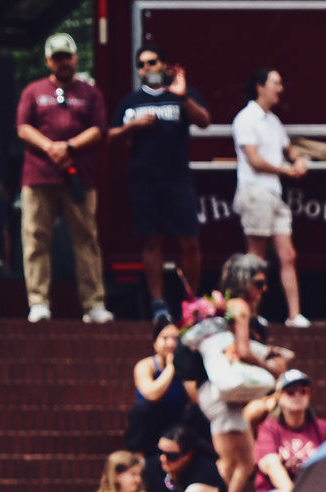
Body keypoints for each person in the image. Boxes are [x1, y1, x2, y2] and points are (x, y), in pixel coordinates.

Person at [109, 43, 208, 324]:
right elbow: (109, 136)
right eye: (141, 64)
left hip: (178, 179)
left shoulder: (180, 95)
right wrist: (132, 126)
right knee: (152, 240)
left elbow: (205, 121)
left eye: (151, 63)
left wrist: (183, 95)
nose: (146, 69)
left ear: (165, 65)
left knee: (189, 240)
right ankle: (158, 304)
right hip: (144, 180)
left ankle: (190, 302)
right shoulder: (131, 101)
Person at [16, 33, 110, 324]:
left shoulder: (90, 93)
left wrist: (69, 147)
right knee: (35, 239)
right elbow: (22, 127)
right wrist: (50, 148)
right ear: (48, 61)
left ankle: (94, 305)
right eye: (56, 57)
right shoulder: (33, 91)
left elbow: (99, 129)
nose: (62, 62)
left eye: (66, 56)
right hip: (38, 175)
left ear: (75, 58)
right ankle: (38, 302)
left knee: (86, 239)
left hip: (79, 177)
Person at [194, 254, 291, 492]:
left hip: (221, 394)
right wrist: (270, 369)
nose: (264, 289)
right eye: (258, 283)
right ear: (241, 281)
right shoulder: (239, 306)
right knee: (227, 462)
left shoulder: (230, 306)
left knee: (246, 462)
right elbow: (244, 351)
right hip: (218, 396)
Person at [234, 68, 310, 327]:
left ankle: (294, 315)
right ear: (260, 87)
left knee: (287, 255)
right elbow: (254, 161)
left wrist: (298, 159)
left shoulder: (273, 121)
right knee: (256, 257)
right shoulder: (245, 118)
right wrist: (287, 170)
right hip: (255, 192)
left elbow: (288, 148)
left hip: (275, 195)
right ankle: (252, 315)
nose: (280, 89)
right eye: (276, 83)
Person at [128, 318, 190, 456]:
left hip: (176, 421)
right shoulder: (145, 366)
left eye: (176, 338)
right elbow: (152, 394)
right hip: (151, 424)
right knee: (141, 409)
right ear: (155, 343)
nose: (171, 343)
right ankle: (139, 459)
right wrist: (170, 367)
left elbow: (194, 400)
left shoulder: (186, 366)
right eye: (165, 338)